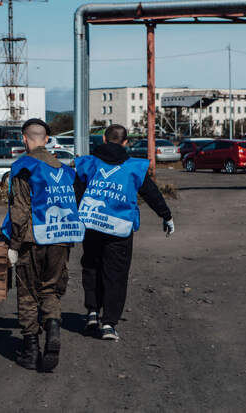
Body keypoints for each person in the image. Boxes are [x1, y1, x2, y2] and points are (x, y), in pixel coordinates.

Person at [75, 124, 174, 341]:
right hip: (119, 230)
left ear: (103, 139)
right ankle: (108, 324)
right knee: (116, 275)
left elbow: (77, 193)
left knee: (91, 268)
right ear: (126, 142)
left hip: (91, 226)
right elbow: (151, 193)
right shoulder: (133, 167)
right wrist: (166, 216)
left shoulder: (89, 163)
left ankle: (92, 312)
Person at [2, 118, 85, 372]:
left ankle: (30, 351)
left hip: (32, 239)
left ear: (24, 139)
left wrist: (13, 246)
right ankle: (53, 328)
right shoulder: (65, 170)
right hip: (61, 239)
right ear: (47, 140)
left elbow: (19, 211)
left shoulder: (23, 167)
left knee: (28, 292)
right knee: (51, 289)